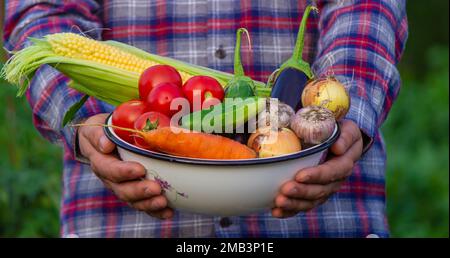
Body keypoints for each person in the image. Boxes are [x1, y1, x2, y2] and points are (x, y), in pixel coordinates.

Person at [3, 0, 408, 237]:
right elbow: (42, 14)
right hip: (117, 215)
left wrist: (345, 107)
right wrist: (93, 125)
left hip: (324, 207)